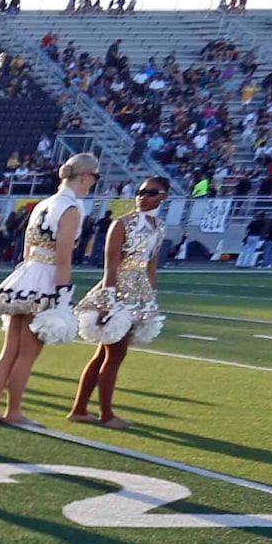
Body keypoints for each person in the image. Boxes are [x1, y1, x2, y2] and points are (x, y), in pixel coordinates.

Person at [0, 151, 96, 428]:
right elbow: (63, 256)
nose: (94, 182)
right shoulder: (71, 208)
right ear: (83, 176)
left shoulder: (43, 204)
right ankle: (14, 411)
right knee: (27, 353)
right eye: (94, 176)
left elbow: (27, 248)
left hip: (26, 275)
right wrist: (62, 295)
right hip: (45, 279)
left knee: (9, 350)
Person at [72, 174, 169, 427]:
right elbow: (110, 267)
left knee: (104, 354)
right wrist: (107, 301)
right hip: (118, 292)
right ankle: (106, 414)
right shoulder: (121, 224)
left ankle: (80, 409)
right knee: (115, 355)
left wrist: (150, 299)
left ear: (164, 196)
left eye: (151, 192)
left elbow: (151, 267)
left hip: (139, 293)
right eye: (140, 192)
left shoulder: (159, 228)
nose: (143, 197)